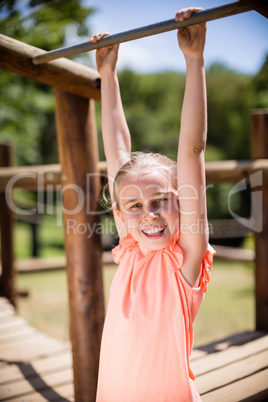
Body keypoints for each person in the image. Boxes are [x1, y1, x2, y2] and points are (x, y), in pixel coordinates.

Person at [90, 7, 215, 401]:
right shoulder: (130, 243)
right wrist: (107, 77)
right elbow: (117, 150)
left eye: (161, 200)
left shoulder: (185, 258)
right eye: (135, 206)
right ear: (120, 211)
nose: (150, 214)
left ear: (182, 201)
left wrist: (194, 61)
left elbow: (192, 151)